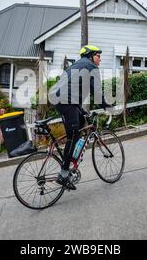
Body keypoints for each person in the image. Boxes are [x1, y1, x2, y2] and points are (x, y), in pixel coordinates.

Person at [49, 45, 111, 190]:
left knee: (82, 121)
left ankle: (70, 159)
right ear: (90, 56)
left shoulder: (74, 66)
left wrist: (82, 110)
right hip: (67, 101)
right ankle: (64, 174)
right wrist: (106, 105)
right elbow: (96, 90)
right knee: (73, 135)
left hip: (63, 100)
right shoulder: (91, 67)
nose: (100, 58)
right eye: (98, 55)